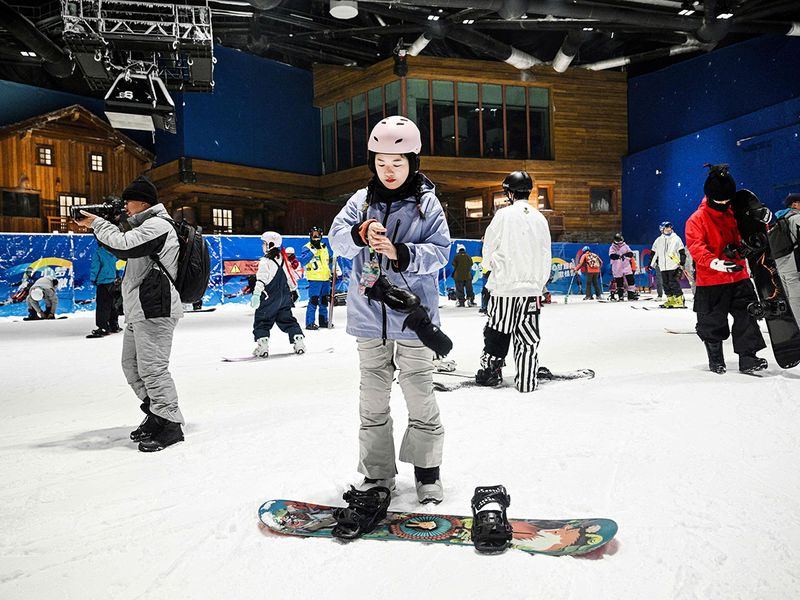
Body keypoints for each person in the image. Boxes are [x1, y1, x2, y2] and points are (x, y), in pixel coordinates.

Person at [329, 115, 451, 504]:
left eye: (398, 163)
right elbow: (337, 242)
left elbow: (441, 251)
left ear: (413, 162)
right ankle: (377, 474)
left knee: (419, 395)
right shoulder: (359, 202)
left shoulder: (427, 205)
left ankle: (428, 472)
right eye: (381, 163)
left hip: (415, 320)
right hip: (369, 320)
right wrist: (358, 233)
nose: (389, 171)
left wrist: (402, 253)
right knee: (372, 401)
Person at [75, 175, 186, 452]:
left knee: (152, 369)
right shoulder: (146, 226)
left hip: (156, 307)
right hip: (141, 308)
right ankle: (157, 414)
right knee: (132, 366)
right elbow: (121, 244)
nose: (125, 205)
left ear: (143, 201)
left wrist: (97, 223)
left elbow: (124, 245)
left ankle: (170, 423)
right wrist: (102, 225)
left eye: (128, 200)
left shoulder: (159, 225)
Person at [685, 164, 767, 374]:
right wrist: (716, 263)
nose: (723, 203)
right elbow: (696, 247)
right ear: (709, 196)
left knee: (747, 316)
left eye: (727, 200)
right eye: (719, 200)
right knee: (712, 322)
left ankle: (748, 358)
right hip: (711, 280)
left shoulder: (736, 213)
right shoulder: (697, 219)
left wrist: (763, 220)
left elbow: (752, 233)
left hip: (739, 276)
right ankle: (716, 359)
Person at [476, 170, 551, 392]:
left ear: (509, 192)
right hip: (532, 290)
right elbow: (546, 252)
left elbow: (489, 245)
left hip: (504, 288)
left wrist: (487, 267)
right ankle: (527, 380)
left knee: (497, 331)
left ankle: (491, 371)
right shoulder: (540, 218)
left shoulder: (503, 215)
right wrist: (540, 283)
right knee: (528, 336)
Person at [251, 231, 305, 358]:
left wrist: (257, 294)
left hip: (269, 298)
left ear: (270, 244)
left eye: (264, 243)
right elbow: (290, 276)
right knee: (288, 320)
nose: (262, 246)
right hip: (284, 297)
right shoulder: (283, 259)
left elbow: (261, 279)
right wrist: (294, 290)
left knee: (262, 321)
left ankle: (262, 346)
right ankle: (299, 341)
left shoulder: (265, 261)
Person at [772, 193, 800, 326]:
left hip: (782, 266)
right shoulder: (797, 218)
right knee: (797, 302)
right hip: (795, 266)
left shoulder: (780, 220)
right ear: (794, 204)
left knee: (793, 301)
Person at [299, 226, 333, 329]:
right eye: (314, 235)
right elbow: (303, 261)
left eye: (318, 235)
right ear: (310, 235)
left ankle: (323, 321)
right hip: (315, 279)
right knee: (314, 300)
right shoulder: (307, 247)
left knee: (323, 301)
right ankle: (310, 323)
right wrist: (313, 251)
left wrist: (333, 269)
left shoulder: (324, 246)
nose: (316, 237)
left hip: (325, 278)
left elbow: (327, 261)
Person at [650, 221, 687, 308]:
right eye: (666, 228)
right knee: (665, 284)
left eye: (670, 227)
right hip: (663, 266)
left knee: (673, 283)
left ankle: (679, 300)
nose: (668, 229)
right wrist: (650, 264)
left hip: (673, 265)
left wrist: (682, 262)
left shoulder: (676, 239)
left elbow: (682, 252)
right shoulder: (658, 240)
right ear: (662, 229)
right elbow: (654, 252)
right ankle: (670, 299)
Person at [87, 244, 121, 337]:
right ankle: (114, 325)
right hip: (113, 281)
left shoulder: (99, 252)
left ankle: (103, 327)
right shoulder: (113, 252)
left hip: (103, 282)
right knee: (112, 305)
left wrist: (93, 279)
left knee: (102, 305)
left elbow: (95, 267)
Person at [609, 233, 638, 301]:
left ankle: (631, 295)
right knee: (619, 281)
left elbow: (630, 254)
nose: (620, 242)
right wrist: (619, 256)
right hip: (617, 266)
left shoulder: (625, 246)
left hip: (626, 266)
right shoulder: (612, 247)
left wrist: (625, 255)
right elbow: (611, 255)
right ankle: (620, 296)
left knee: (630, 280)